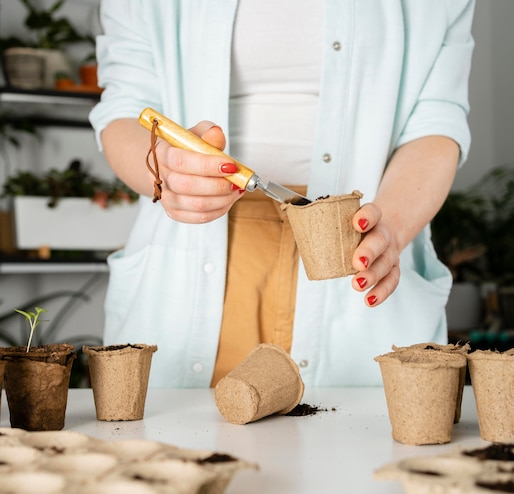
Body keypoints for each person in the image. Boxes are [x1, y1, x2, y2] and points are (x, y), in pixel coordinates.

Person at [89, 0, 475, 388]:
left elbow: (436, 120)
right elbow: (125, 110)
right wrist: (166, 169)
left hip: (361, 239)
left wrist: (392, 225)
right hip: (201, 247)